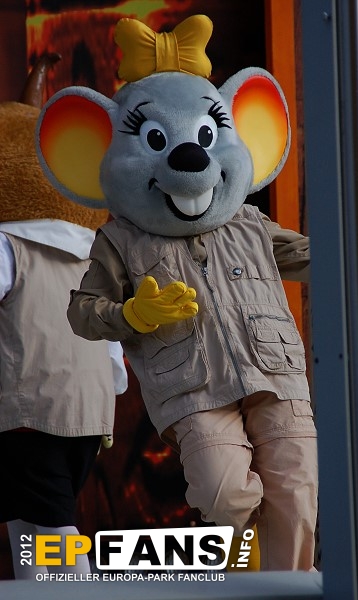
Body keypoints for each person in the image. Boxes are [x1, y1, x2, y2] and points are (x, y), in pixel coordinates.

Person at [35, 16, 358, 571]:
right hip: (193, 389)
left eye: (205, 136)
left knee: (298, 492)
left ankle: (282, 588)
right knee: (224, 493)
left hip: (276, 375)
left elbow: (321, 256)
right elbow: (83, 312)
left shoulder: (250, 223)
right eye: (156, 140)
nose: (191, 159)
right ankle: (246, 567)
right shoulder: (118, 240)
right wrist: (131, 313)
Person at [0, 55, 127, 579]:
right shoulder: (92, 253)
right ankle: (42, 588)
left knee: (52, 530)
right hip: (87, 413)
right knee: (32, 520)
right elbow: (112, 337)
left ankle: (76, 592)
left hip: (31, 410)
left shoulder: (7, 247)